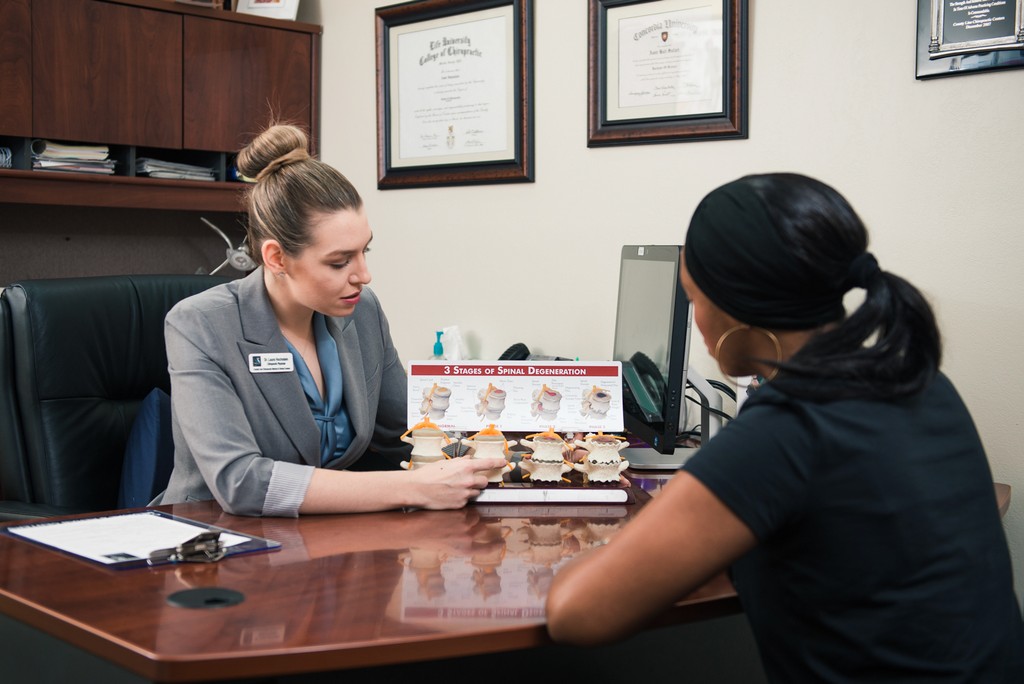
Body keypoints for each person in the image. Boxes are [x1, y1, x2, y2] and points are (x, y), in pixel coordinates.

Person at [545, 173, 1024, 682]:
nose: (698, 324)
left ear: (735, 311)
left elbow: (575, 613)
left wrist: (610, 547)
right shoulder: (918, 379)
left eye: (693, 298)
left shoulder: (788, 428)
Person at [155, 124, 504, 516]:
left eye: (364, 252)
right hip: (212, 541)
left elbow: (406, 435)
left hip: (320, 539)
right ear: (276, 258)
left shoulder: (363, 311)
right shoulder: (200, 325)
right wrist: (411, 486)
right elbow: (242, 483)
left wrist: (522, 446)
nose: (363, 275)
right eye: (339, 262)